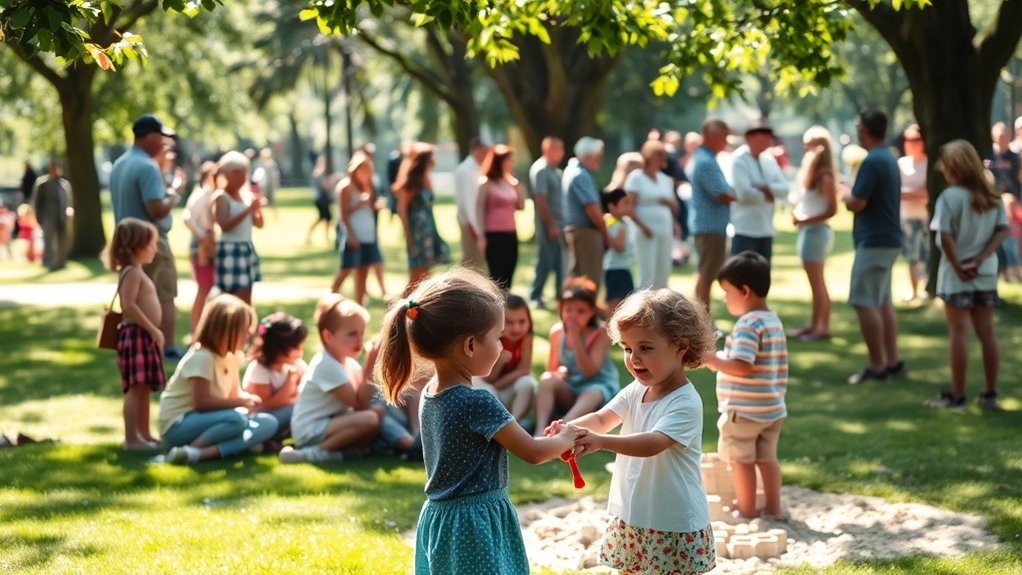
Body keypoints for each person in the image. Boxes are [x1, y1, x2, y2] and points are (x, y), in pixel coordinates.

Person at [374, 268, 577, 575]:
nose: (503, 347)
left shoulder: (431, 392)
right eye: (498, 338)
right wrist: (567, 438)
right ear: (469, 345)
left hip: (440, 519)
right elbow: (534, 452)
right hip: (474, 525)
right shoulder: (477, 402)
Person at [554, 288, 717, 575]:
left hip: (672, 522)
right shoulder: (637, 389)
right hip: (635, 514)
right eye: (628, 348)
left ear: (680, 347)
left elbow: (653, 443)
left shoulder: (685, 401)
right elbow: (604, 417)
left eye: (646, 347)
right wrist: (570, 429)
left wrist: (601, 443)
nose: (634, 358)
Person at [702, 252, 788, 518]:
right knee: (767, 460)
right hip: (771, 409)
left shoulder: (747, 324)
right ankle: (773, 508)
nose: (725, 299)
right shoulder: (772, 319)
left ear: (745, 291)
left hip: (745, 410)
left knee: (742, 462)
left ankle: (747, 510)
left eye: (727, 293)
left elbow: (742, 364)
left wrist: (710, 359)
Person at [924, 140, 1009, 410]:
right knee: (987, 332)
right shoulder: (990, 195)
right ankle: (990, 394)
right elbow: (1001, 230)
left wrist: (959, 265)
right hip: (984, 271)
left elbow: (945, 236)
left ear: (954, 168)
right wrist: (981, 258)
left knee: (958, 333)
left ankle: (958, 396)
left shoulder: (950, 197)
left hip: (955, 274)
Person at [160, 294, 279, 464]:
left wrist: (248, 400)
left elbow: (232, 393)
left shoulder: (232, 356)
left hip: (210, 421)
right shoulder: (202, 357)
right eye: (243, 330)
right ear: (225, 329)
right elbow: (201, 403)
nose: (247, 336)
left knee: (268, 422)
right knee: (236, 420)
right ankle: (191, 450)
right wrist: (240, 403)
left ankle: (196, 454)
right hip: (179, 425)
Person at [109, 114, 183, 359]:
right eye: (161, 137)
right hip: (151, 242)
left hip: (127, 242)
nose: (164, 143)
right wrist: (173, 197)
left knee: (134, 298)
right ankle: (167, 347)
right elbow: (155, 208)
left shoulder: (120, 163)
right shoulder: (147, 166)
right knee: (164, 294)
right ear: (149, 136)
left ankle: (142, 346)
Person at [843, 109, 905, 385]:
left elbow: (858, 202)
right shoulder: (889, 157)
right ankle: (892, 361)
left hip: (874, 240)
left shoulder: (871, 161)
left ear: (865, 130)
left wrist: (845, 193)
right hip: (889, 238)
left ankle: (878, 365)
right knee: (882, 302)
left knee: (863, 301)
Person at [280, 295, 381, 463]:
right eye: (352, 334)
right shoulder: (326, 364)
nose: (359, 340)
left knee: (377, 414)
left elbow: (364, 402)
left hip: (330, 423)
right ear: (328, 336)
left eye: (362, 334)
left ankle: (344, 454)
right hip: (309, 429)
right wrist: (371, 365)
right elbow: (360, 403)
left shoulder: (348, 363)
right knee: (370, 418)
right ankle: (313, 453)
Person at [103, 218, 166, 450]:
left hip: (143, 336)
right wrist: (152, 328)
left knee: (145, 387)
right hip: (136, 335)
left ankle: (145, 434)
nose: (155, 249)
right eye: (151, 244)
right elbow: (128, 304)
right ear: (136, 246)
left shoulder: (137, 271)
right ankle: (132, 439)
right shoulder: (131, 272)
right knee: (135, 388)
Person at [534, 277, 620, 436]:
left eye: (580, 311)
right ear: (561, 309)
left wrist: (577, 338)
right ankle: (540, 430)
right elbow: (552, 370)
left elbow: (589, 372)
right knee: (546, 379)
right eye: (568, 310)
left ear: (592, 312)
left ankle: (562, 428)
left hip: (596, 388)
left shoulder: (601, 334)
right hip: (571, 387)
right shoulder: (557, 332)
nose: (573, 316)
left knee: (593, 392)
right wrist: (559, 371)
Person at [789, 126, 838, 341]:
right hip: (809, 231)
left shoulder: (825, 176)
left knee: (818, 283)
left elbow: (831, 210)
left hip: (816, 232)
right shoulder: (814, 174)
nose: (804, 147)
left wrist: (803, 219)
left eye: (807, 143)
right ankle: (813, 324)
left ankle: (822, 327)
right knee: (815, 283)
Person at [689, 119, 736, 309]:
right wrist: (739, 193)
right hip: (710, 227)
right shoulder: (706, 162)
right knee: (706, 274)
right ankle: (702, 320)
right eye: (723, 137)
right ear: (709, 136)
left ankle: (702, 319)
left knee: (706, 273)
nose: (726, 141)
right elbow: (722, 194)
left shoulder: (705, 158)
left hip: (709, 226)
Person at [242, 312, 308, 442]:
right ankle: (265, 440)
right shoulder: (259, 369)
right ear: (278, 348)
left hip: (283, 415)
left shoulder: (297, 364)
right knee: (297, 408)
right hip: (262, 418)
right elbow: (269, 404)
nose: (301, 352)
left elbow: (308, 391)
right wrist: (290, 380)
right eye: (296, 347)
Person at [393, 142, 450, 293]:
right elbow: (402, 210)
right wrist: (408, 237)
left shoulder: (427, 180)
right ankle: (401, 307)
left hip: (428, 231)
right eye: (432, 157)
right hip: (417, 232)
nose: (434, 161)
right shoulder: (412, 183)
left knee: (425, 274)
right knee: (416, 275)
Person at [473, 294, 537, 426]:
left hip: (504, 387)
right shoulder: (493, 339)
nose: (516, 328)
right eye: (509, 322)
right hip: (488, 385)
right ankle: (498, 426)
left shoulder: (526, 338)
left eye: (522, 321)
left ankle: (516, 423)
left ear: (529, 321)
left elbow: (524, 370)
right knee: (486, 390)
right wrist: (499, 362)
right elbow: (488, 378)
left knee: (528, 383)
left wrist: (500, 384)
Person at [728, 121, 788, 261]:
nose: (768, 141)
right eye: (763, 137)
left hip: (765, 228)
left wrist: (766, 187)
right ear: (751, 137)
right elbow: (744, 193)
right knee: (741, 272)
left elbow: (784, 188)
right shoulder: (739, 160)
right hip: (744, 229)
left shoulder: (768, 160)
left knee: (762, 274)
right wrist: (768, 194)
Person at [212, 151, 266, 305]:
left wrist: (256, 209)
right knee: (230, 299)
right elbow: (224, 225)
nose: (241, 177)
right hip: (230, 248)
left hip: (246, 246)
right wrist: (248, 210)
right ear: (227, 174)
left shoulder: (246, 195)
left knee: (247, 296)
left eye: (243, 172)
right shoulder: (221, 197)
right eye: (236, 173)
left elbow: (259, 224)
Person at [624, 140, 679, 289]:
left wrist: (673, 220)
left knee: (663, 270)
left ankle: (661, 306)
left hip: (664, 228)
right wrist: (643, 226)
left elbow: (675, 206)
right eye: (657, 155)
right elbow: (629, 206)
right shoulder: (636, 177)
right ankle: (643, 308)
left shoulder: (665, 179)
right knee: (647, 272)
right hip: (645, 230)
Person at [333, 151, 385, 304]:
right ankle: (330, 297)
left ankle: (360, 305)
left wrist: (374, 206)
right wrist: (351, 235)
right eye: (363, 170)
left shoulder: (368, 187)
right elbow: (343, 214)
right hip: (353, 235)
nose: (366, 174)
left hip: (368, 235)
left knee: (363, 272)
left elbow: (368, 209)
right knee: (347, 269)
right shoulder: (345, 187)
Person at [562, 137, 610, 291]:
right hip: (586, 233)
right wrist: (605, 233)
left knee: (579, 278)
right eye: (598, 157)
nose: (599, 161)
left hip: (578, 232)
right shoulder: (580, 175)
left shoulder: (573, 171)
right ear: (588, 156)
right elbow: (591, 208)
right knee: (589, 280)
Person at [476, 144, 525, 290]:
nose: (511, 163)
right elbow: (478, 210)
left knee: (510, 269)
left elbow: (521, 206)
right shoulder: (486, 183)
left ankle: (507, 305)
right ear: (498, 162)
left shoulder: (510, 183)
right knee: (497, 274)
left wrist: (518, 186)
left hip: (510, 233)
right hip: (494, 234)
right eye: (508, 160)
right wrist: (481, 235)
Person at [528, 137, 566, 308]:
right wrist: (551, 225)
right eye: (557, 149)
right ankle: (535, 295)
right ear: (547, 150)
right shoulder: (540, 170)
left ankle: (561, 295)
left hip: (561, 224)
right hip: (549, 225)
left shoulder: (556, 170)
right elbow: (541, 200)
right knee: (545, 260)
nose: (561, 153)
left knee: (560, 262)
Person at [182, 161, 218, 336]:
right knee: (204, 288)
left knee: (208, 287)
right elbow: (186, 218)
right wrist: (201, 235)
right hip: (201, 245)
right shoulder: (202, 194)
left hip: (207, 243)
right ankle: (195, 329)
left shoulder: (208, 193)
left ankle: (201, 328)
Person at [898, 124, 930, 301]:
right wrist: (915, 192)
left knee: (926, 254)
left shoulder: (927, 164)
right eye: (908, 140)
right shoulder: (901, 164)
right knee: (911, 256)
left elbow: (927, 191)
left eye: (916, 139)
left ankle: (926, 288)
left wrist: (908, 193)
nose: (912, 143)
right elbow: (896, 191)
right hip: (907, 216)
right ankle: (913, 290)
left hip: (925, 216)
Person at [987, 122, 1022, 282]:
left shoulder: (1015, 157)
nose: (1003, 139)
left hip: (1014, 204)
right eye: (1000, 136)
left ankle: (1016, 268)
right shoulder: (988, 156)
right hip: (993, 203)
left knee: (1014, 237)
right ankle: (1006, 270)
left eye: (1005, 136)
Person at [454, 138, 490, 270]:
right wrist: (474, 227)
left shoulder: (477, 168)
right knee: (471, 260)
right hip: (470, 222)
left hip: (477, 221)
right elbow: (468, 201)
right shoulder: (466, 170)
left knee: (479, 260)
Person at [31, 159, 73, 271]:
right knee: (49, 240)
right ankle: (48, 262)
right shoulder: (42, 184)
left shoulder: (64, 184)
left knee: (62, 240)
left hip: (62, 216)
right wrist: (39, 217)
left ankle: (61, 262)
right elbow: (37, 202)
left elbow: (68, 201)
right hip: (48, 216)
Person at [602, 188, 636, 311]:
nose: (629, 205)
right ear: (612, 207)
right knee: (615, 303)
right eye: (625, 202)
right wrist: (614, 237)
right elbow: (619, 247)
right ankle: (609, 328)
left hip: (623, 267)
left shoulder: (622, 222)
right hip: (615, 269)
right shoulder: (613, 223)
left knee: (626, 303)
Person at [307, 154, 335, 244]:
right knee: (322, 218)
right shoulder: (318, 173)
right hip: (320, 199)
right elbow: (324, 186)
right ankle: (310, 233)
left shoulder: (321, 173)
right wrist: (332, 183)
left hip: (323, 199)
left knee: (327, 218)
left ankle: (326, 236)